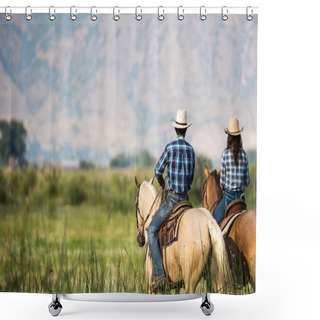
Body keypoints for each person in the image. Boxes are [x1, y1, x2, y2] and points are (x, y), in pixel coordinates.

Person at [147, 109, 195, 291]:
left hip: (173, 199)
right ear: (186, 130)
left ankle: (159, 275)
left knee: (151, 230)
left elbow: (158, 170)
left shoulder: (169, 147)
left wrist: (162, 183)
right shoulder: (191, 150)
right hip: (187, 201)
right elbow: (191, 178)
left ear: (176, 129)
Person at [213, 117, 250, 224]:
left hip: (228, 197)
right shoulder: (244, 155)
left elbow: (222, 182)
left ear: (229, 136)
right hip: (241, 198)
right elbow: (247, 182)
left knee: (212, 222)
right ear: (239, 136)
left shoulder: (225, 155)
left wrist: (224, 187)